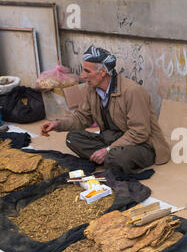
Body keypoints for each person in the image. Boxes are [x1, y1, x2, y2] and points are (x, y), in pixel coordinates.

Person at [40, 45, 170, 174]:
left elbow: (139, 132)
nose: (82, 75)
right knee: (72, 138)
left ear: (102, 72)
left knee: (117, 157)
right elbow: (82, 117)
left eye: (87, 71)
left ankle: (108, 157)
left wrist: (107, 150)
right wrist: (57, 124)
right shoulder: (91, 89)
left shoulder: (132, 91)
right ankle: (107, 158)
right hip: (112, 139)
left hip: (141, 144)